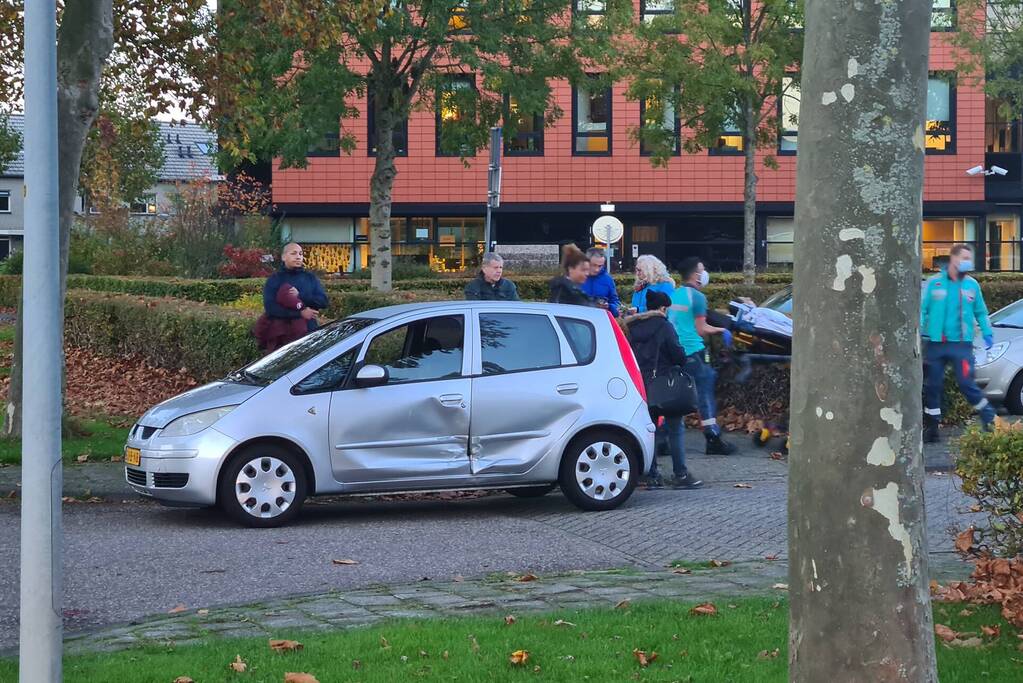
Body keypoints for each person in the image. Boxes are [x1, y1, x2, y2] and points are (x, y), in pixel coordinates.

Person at [624, 289, 703, 489]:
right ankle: (681, 474)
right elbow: (677, 355)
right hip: (664, 385)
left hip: (640, 385)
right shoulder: (664, 326)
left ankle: (652, 476)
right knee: (676, 428)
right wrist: (684, 358)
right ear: (663, 308)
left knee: (648, 429)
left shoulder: (632, 327)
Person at [921, 244, 996, 441]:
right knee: (932, 386)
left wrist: (987, 332)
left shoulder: (972, 285)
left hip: (961, 345)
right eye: (964, 258)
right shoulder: (935, 283)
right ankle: (932, 428)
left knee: (966, 383)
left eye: (968, 258)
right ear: (953, 259)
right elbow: (922, 309)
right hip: (936, 344)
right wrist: (918, 330)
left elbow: (980, 311)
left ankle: (990, 419)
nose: (967, 262)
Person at [669, 257, 736, 455]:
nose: (704, 272)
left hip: (676, 350)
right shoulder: (697, 297)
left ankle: (663, 438)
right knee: (705, 390)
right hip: (693, 350)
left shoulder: (676, 294)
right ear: (696, 275)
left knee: (677, 395)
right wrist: (722, 330)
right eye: (702, 269)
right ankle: (712, 437)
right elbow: (701, 328)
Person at [263, 242, 330, 335]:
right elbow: (270, 308)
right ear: (284, 257)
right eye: (293, 253)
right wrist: (300, 314)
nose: (298, 257)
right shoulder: (275, 279)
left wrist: (300, 296)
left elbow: (323, 302)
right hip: (282, 335)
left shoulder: (310, 278)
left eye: (301, 254)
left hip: (309, 333)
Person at [253, 283, 310, 352]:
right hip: (290, 352)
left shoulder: (271, 314)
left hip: (279, 353)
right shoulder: (300, 313)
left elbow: (259, 332)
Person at [581, 247, 620, 316]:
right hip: (578, 321)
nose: (597, 269)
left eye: (600, 266)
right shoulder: (576, 276)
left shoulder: (608, 279)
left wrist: (609, 307)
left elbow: (616, 303)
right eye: (594, 265)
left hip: (601, 321)